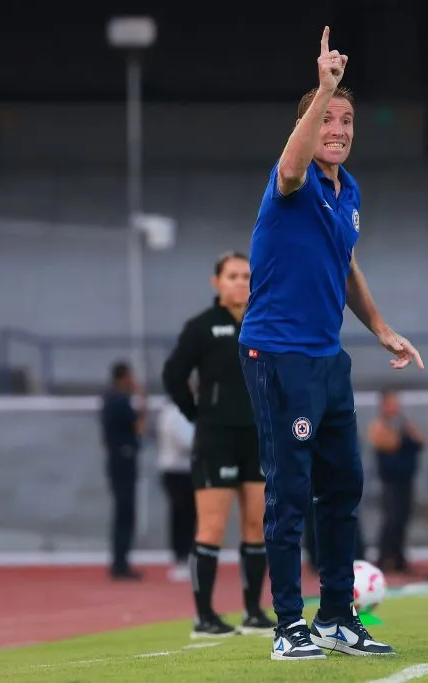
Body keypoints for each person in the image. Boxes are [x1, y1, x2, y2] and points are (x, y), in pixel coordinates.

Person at [238, 26, 423, 661]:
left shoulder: (350, 194)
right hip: (276, 352)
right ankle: (288, 624)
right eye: (327, 119)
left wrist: (381, 328)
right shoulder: (289, 182)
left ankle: (338, 616)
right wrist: (323, 86)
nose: (338, 128)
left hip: (326, 358)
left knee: (342, 485)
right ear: (309, 125)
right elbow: (290, 163)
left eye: (346, 119)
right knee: (288, 489)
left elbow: (346, 269)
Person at [162, 252, 275, 638]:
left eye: (246, 275)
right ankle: (205, 617)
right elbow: (173, 374)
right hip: (216, 439)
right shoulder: (202, 328)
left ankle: (254, 611)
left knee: (256, 526)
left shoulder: (265, 324)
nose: (241, 282)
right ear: (217, 283)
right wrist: (198, 414)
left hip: (257, 438)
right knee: (211, 528)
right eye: (232, 276)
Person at [368, 388, 425, 573]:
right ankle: (385, 558)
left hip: (406, 479)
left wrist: (407, 436)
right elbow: (392, 443)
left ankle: (399, 558)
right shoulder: (379, 426)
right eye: (392, 403)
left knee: (403, 518)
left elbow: (420, 441)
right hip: (390, 481)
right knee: (391, 519)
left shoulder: (403, 425)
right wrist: (404, 439)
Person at [99, 360, 146, 581]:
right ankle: (120, 563)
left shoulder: (108, 399)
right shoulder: (120, 401)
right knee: (125, 513)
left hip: (117, 461)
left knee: (122, 512)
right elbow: (138, 427)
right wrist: (142, 398)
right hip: (123, 461)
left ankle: (120, 561)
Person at [157, 395, 197, 583]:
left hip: (184, 472)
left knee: (188, 517)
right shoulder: (174, 414)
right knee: (182, 517)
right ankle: (181, 559)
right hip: (178, 473)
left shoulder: (176, 413)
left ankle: (185, 556)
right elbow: (188, 442)